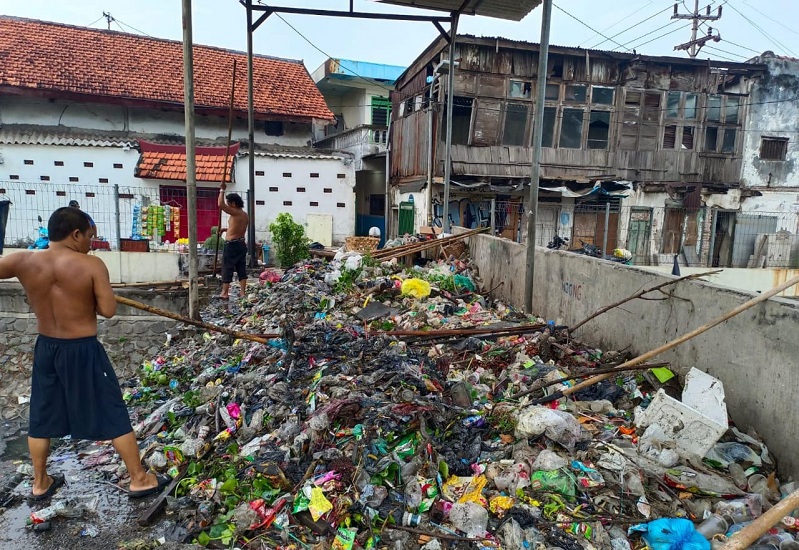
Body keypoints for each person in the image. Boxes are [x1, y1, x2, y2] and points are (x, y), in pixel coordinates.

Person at [0, 207, 169, 501]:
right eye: (89, 236)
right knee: (112, 410)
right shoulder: (91, 265)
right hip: (83, 349)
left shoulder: (22, 260)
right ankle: (139, 479)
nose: (91, 242)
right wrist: (84, 295)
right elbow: (108, 310)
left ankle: (40, 483)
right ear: (75, 234)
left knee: (41, 413)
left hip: (47, 347)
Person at [217, 183, 250, 299]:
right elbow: (238, 228)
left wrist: (222, 190)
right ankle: (242, 292)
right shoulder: (245, 215)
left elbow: (220, 205)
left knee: (227, 268)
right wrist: (225, 229)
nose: (228, 205)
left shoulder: (235, 212)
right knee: (241, 268)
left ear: (234, 204)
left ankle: (225, 293)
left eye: (229, 203)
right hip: (241, 244)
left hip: (232, 245)